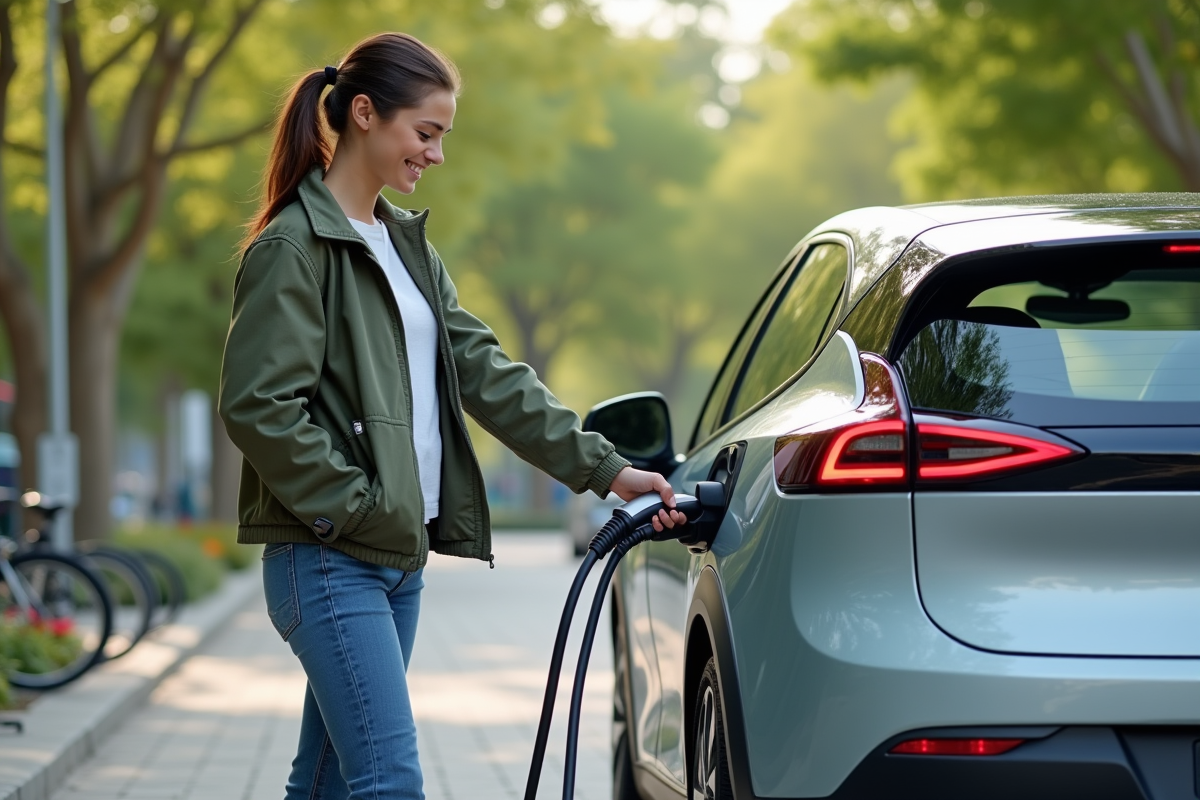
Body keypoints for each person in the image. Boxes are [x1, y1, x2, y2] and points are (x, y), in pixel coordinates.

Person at [217, 32, 686, 800]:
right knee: (389, 780)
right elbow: (259, 408)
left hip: (395, 560)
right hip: (330, 557)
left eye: (442, 137)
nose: (435, 154)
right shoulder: (294, 248)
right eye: (425, 133)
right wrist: (357, 508)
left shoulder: (406, 248)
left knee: (332, 777)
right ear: (364, 114)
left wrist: (608, 470)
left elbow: (488, 375)